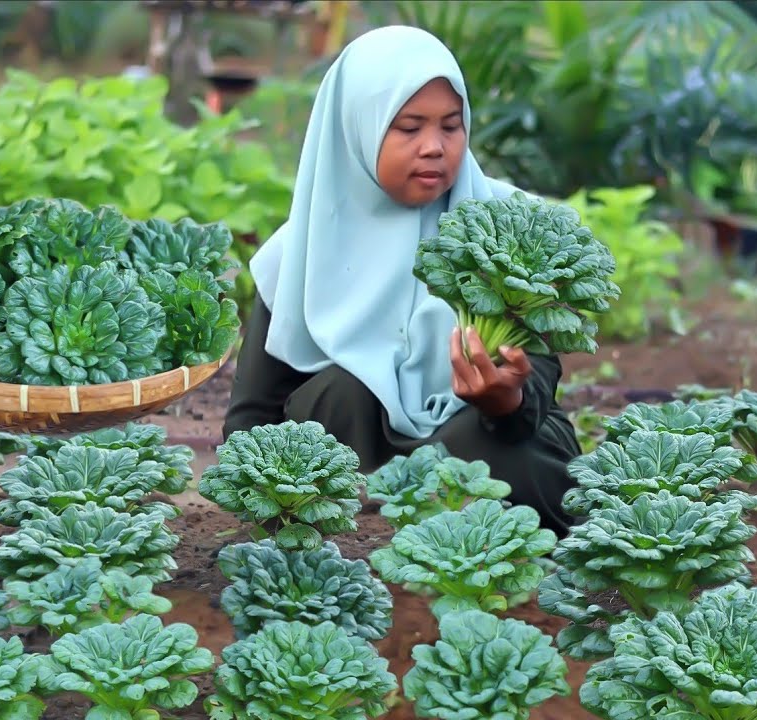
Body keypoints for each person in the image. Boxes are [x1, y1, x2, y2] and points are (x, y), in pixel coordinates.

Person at [223, 25, 582, 535]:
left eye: (451, 127)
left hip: (482, 439)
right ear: (357, 129)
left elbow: (539, 378)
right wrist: (263, 502)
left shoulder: (509, 225)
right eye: (409, 127)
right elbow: (253, 416)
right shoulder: (302, 250)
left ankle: (413, 517)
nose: (434, 147)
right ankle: (362, 519)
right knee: (340, 390)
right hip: (354, 448)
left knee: (515, 464)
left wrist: (509, 401)